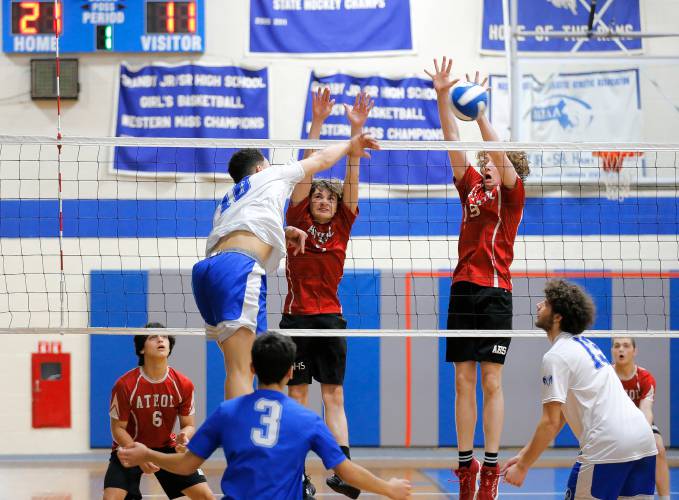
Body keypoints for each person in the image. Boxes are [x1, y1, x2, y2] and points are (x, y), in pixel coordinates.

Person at [191, 132, 379, 400]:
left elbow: (246, 228)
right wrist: (352, 145)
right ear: (259, 168)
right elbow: (322, 159)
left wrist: (284, 231)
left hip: (208, 271)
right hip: (238, 269)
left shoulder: (231, 198)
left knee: (237, 366)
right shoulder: (268, 175)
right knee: (242, 370)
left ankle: (242, 431)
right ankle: (241, 441)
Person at [118, 332, 412, 500]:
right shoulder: (308, 420)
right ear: (289, 372)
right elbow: (345, 470)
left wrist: (147, 453)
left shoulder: (227, 412)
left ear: (253, 369)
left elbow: (184, 465)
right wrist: (388, 488)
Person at [425, 57, 530, 499]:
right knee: (462, 379)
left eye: (491, 160)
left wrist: (482, 111)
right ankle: (466, 466)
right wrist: (442, 96)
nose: (485, 163)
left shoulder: (512, 194)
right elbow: (453, 142)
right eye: (483, 159)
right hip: (463, 290)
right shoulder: (470, 187)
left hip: (496, 293)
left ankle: (491, 470)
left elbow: (503, 160)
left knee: (491, 381)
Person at [281, 87, 373, 499]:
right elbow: (305, 170)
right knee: (297, 396)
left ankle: (344, 471)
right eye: (317, 195)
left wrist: (356, 135)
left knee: (333, 395)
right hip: (296, 318)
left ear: (337, 207)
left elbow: (351, 181)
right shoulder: (296, 214)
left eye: (327, 197)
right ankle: (298, 474)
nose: (321, 199)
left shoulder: (343, 222)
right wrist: (317, 123)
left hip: (328, 318)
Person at [503, 280, 657, 499]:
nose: (538, 305)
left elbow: (550, 421)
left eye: (545, 303)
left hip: (607, 446)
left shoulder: (556, 356)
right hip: (643, 440)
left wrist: (523, 466)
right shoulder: (586, 345)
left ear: (558, 317)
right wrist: (523, 455)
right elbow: (563, 416)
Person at [103, 323, 214, 500]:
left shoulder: (183, 384)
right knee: (111, 498)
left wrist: (184, 436)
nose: (160, 339)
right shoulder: (125, 385)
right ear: (141, 349)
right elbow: (118, 429)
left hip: (165, 448)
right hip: (130, 447)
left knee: (206, 496)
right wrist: (139, 456)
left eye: (164, 336)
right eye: (152, 337)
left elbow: (188, 425)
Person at [612, 336, 670, 500]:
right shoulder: (606, 376)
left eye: (625, 346)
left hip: (640, 422)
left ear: (634, 351)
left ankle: (665, 498)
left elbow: (646, 409)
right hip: (613, 424)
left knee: (659, 449)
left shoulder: (644, 377)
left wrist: (641, 434)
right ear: (612, 351)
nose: (621, 349)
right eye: (616, 346)